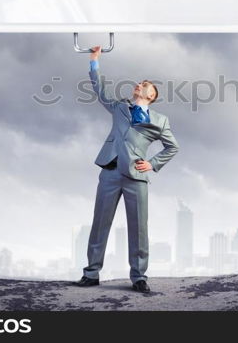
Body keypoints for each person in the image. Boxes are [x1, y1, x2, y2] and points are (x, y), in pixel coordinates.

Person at [73, 45, 180, 293]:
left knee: (139, 228)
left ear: (151, 96)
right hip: (110, 172)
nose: (139, 84)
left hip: (136, 177)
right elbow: (99, 89)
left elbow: (172, 147)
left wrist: (152, 164)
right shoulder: (119, 107)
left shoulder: (160, 120)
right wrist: (94, 60)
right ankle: (91, 274)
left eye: (145, 84)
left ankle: (139, 276)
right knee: (100, 223)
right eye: (139, 83)